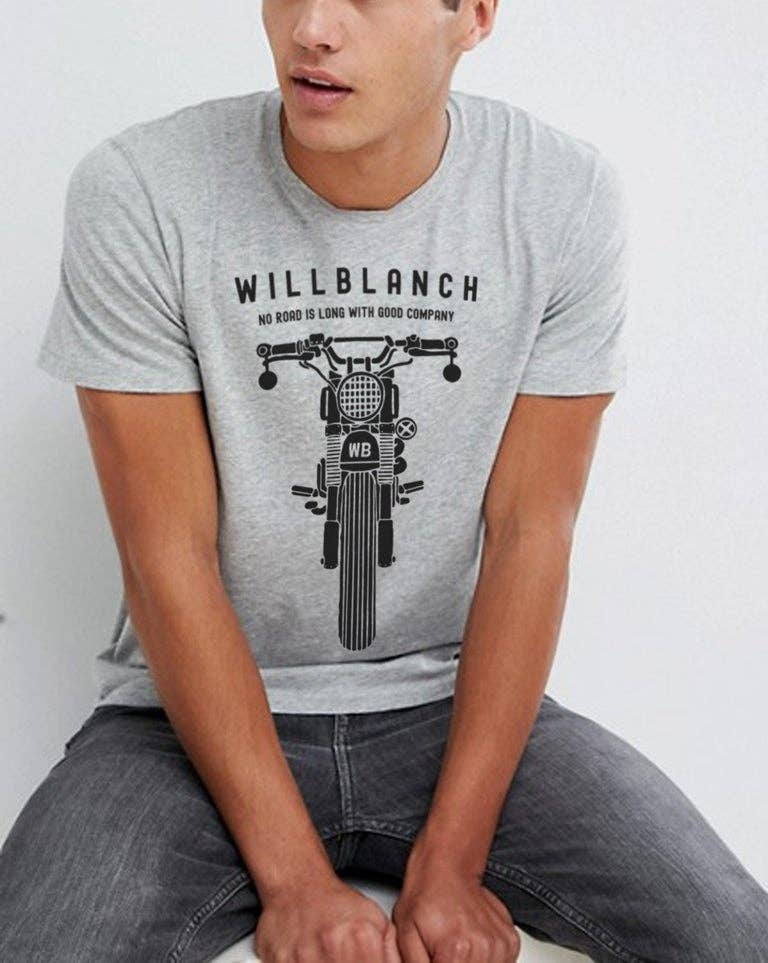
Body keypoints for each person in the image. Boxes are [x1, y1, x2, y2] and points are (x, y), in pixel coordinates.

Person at [2, 0, 766, 959]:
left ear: (473, 15)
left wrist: (453, 861)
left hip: (450, 707)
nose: (313, 28)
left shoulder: (558, 196)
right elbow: (166, 552)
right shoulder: (145, 189)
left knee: (734, 933)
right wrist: (294, 881)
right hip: (182, 726)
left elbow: (531, 532)